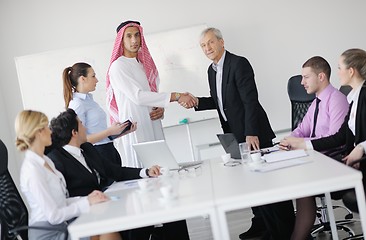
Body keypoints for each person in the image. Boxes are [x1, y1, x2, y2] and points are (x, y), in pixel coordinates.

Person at [187, 27, 294, 240]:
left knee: (268, 185)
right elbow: (220, 102)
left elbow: (250, 100)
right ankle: (264, 226)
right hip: (233, 134)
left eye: (210, 42)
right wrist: (197, 102)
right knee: (252, 184)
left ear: (221, 42)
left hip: (253, 133)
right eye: (203, 45)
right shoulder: (211, 71)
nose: (207, 48)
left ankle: (284, 232)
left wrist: (251, 132)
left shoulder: (238, 63)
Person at [47, 108, 190, 240]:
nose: (85, 128)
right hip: (87, 214)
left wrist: (146, 172)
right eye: (81, 124)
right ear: (74, 132)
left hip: (105, 205)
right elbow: (63, 197)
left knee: (159, 214)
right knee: (140, 218)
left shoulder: (87, 149)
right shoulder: (58, 159)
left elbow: (115, 171)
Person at [281, 48, 366, 237]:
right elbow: (304, 128)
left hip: (340, 159)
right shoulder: (322, 101)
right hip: (333, 157)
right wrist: (290, 140)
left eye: (306, 77)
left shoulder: (340, 99)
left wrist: (302, 144)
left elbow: (338, 139)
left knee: (303, 182)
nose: (301, 82)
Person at [15, 110, 118, 240]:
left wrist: (88, 199)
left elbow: (61, 201)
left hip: (61, 226)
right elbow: (54, 215)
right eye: (46, 127)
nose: (51, 132)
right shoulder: (33, 170)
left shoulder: (46, 161)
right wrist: (86, 204)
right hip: (48, 233)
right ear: (39, 132)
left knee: (106, 228)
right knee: (107, 232)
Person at [106, 20, 197, 168]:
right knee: (143, 173)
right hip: (135, 127)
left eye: (137, 35)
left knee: (162, 169)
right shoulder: (119, 66)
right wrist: (177, 96)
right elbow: (138, 96)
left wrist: (159, 108)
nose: (134, 40)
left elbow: (149, 95)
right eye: (128, 36)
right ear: (121, 41)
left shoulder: (142, 65)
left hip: (152, 124)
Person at [63, 62, 137, 166]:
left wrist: (121, 131)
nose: (96, 80)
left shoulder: (89, 100)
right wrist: (109, 131)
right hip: (98, 153)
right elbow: (80, 140)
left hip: (109, 150)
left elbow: (98, 132)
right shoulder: (77, 104)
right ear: (82, 79)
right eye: (93, 76)